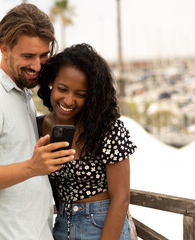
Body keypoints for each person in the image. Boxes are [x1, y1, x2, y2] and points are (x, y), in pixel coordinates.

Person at [0, 3, 76, 240]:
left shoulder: (21, 94)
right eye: (28, 56)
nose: (37, 65)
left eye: (43, 55)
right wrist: (33, 167)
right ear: (4, 49)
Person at [37, 43, 137, 240]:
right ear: (51, 83)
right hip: (61, 227)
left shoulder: (107, 129)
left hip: (102, 226)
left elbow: (121, 198)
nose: (68, 100)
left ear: (92, 96)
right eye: (62, 89)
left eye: (80, 94)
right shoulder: (41, 127)